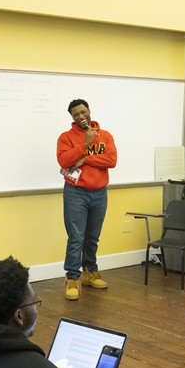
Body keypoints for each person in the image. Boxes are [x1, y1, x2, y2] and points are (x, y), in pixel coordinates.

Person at [57, 99, 118, 301]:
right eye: (76, 114)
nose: (81, 116)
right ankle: (72, 279)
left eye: (83, 112)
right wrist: (84, 144)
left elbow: (111, 161)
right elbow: (65, 161)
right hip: (76, 193)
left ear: (89, 111)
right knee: (76, 238)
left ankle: (90, 273)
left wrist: (85, 159)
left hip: (100, 192)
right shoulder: (66, 137)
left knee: (93, 237)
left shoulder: (105, 136)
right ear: (72, 118)